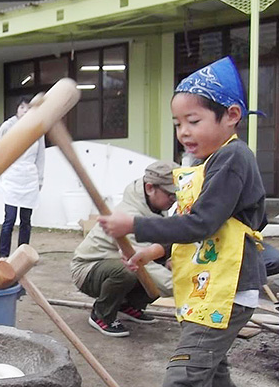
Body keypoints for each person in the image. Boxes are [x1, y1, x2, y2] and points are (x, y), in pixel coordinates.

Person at [99, 56, 266, 386]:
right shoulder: (207, 162)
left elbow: (201, 224)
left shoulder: (233, 158)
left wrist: (135, 225)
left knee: (184, 373)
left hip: (226, 290)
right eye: (177, 123)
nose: (183, 132)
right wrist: (154, 251)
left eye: (193, 120)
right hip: (210, 285)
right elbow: (200, 227)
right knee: (211, 372)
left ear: (232, 115)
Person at [71, 160, 177, 338]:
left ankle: (128, 306)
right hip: (88, 270)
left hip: (117, 261)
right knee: (130, 271)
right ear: (150, 188)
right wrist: (186, 286)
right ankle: (102, 314)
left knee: (160, 265)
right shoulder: (129, 215)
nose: (174, 200)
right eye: (171, 195)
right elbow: (142, 264)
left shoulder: (155, 206)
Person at [0, 99, 44, 257]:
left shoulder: (37, 129)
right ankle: (3, 255)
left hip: (29, 177)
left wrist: (40, 179)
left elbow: (41, 156)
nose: (25, 110)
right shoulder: (8, 126)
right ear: (17, 109)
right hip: (12, 175)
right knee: (9, 218)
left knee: (26, 220)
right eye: (22, 107)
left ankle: (22, 255)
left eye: (28, 108)